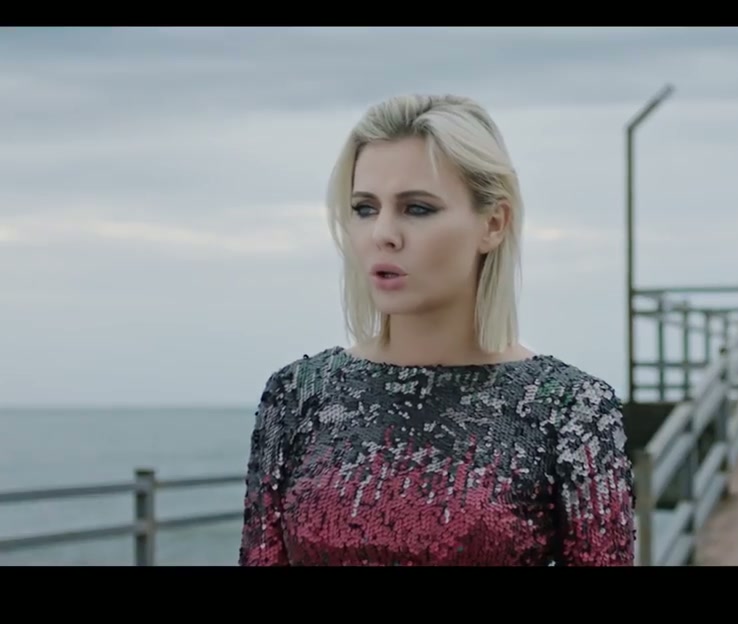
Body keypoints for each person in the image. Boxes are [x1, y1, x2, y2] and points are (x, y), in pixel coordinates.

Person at [237, 93, 635, 566]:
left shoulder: (569, 409)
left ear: (493, 224)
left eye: (417, 208)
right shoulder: (299, 394)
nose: (383, 234)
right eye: (364, 208)